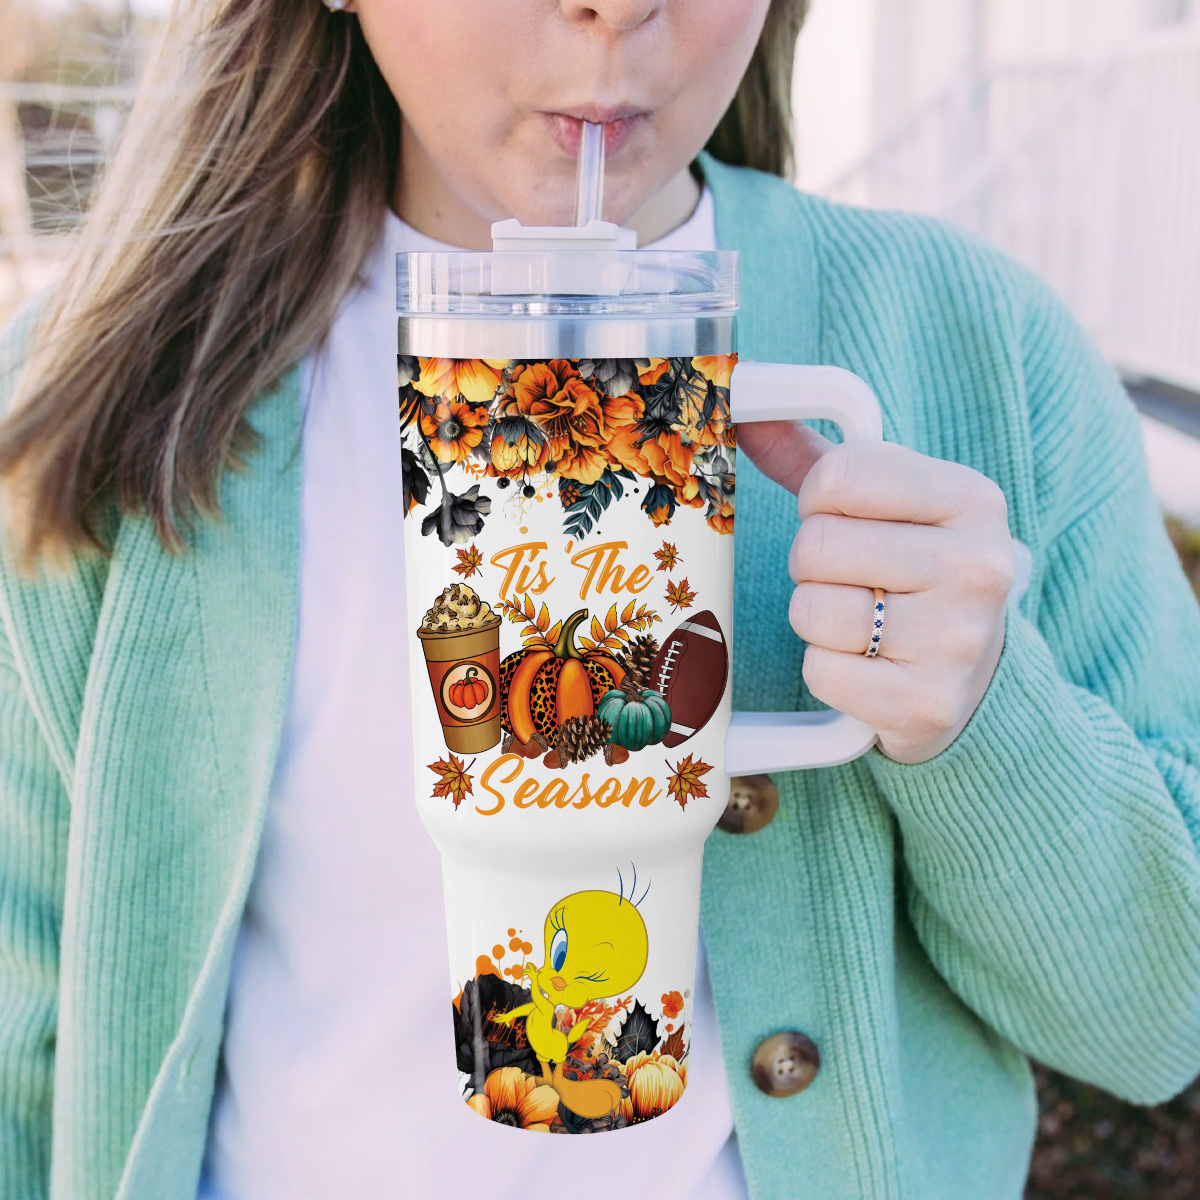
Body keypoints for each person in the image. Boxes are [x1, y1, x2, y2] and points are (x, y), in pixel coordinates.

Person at [1, 1, 1198, 1198]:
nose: (616, 5)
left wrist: (985, 723)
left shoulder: (978, 348)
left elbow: (1160, 1024)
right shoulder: (101, 399)